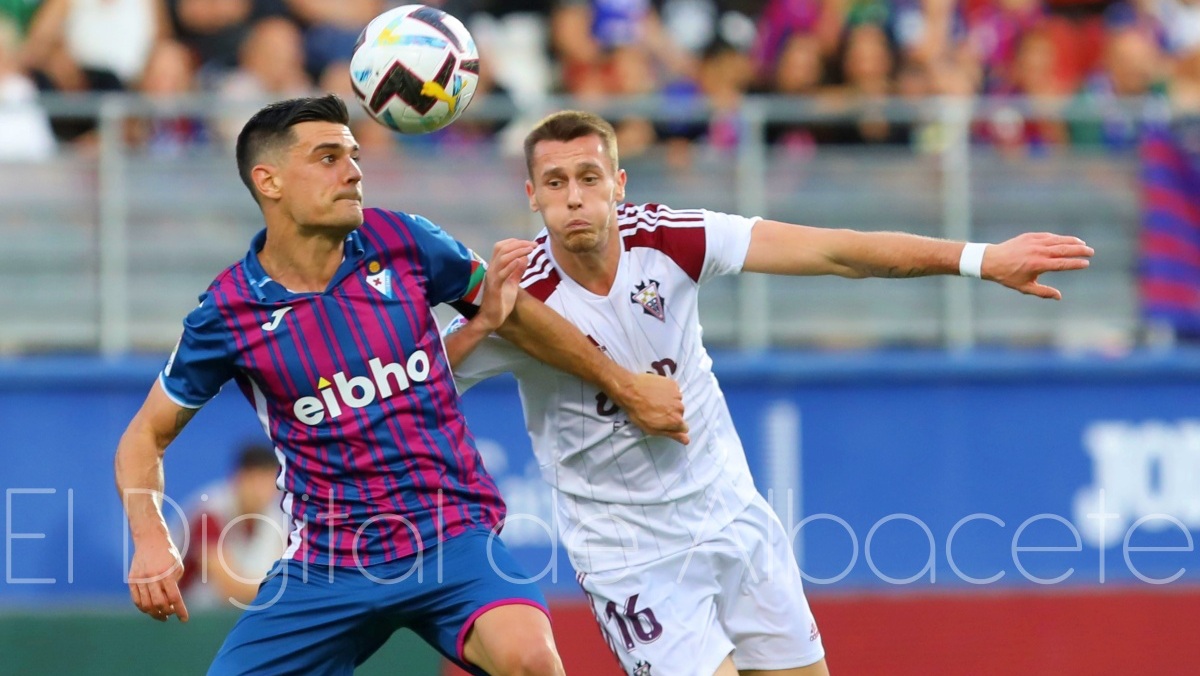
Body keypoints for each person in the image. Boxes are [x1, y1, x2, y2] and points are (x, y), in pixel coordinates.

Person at [444, 110, 1095, 676]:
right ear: (531, 195)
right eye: (555, 183)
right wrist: (481, 328)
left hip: (733, 521)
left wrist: (980, 258)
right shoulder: (515, 294)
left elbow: (838, 252)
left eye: (589, 177)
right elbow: (414, 383)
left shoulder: (673, 238)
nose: (574, 197)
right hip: (630, 558)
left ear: (619, 184)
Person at [113, 94, 688, 676]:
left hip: (452, 536)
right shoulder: (227, 312)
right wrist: (152, 536)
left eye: (354, 155)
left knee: (532, 661)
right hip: (328, 561)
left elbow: (515, 314)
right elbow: (144, 439)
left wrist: (625, 384)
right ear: (270, 181)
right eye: (328, 157)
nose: (354, 170)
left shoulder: (404, 240)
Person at [175, 443, 288, 609]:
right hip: (187, 619)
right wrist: (286, 590)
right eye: (256, 481)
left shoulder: (276, 518)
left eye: (270, 482)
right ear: (238, 478)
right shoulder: (209, 513)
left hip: (239, 619)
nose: (262, 492)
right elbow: (229, 588)